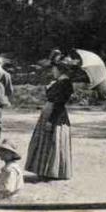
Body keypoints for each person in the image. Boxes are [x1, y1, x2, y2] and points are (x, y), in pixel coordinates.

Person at [24, 51, 76, 180]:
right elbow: (52, 97)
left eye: (54, 69)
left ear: (59, 69)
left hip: (55, 114)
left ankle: (52, 171)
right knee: (47, 141)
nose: (52, 71)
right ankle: (45, 170)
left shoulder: (64, 83)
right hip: (50, 111)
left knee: (53, 141)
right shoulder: (59, 82)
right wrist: (50, 88)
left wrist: (51, 120)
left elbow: (58, 103)